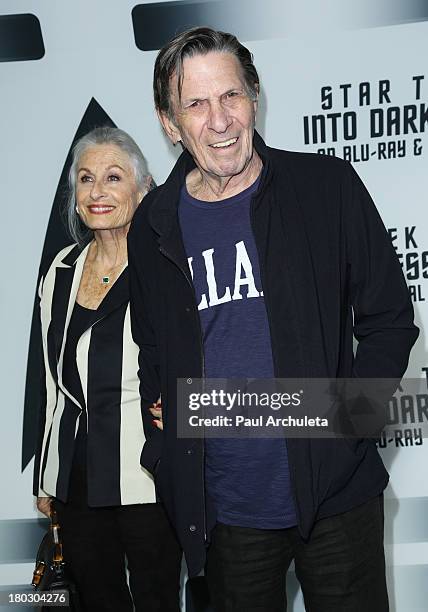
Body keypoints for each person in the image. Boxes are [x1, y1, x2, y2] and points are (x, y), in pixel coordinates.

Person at [127, 27, 419, 612]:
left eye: (231, 96)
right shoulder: (155, 223)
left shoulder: (324, 187)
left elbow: (389, 318)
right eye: (196, 104)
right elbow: (154, 347)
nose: (220, 121)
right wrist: (165, 439)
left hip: (338, 496)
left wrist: (350, 427)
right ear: (168, 123)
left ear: (254, 96)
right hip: (227, 514)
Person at [33, 126, 181, 612]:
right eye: (85, 178)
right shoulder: (58, 271)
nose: (97, 191)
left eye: (113, 177)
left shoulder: (166, 266)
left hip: (146, 474)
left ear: (143, 189)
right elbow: (51, 382)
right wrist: (45, 477)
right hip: (73, 477)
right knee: (95, 600)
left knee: (155, 600)